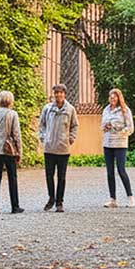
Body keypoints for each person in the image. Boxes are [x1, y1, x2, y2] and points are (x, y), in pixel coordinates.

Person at [38, 83, 79, 212]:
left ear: (64, 94)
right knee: (49, 175)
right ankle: (51, 198)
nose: (58, 95)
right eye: (56, 93)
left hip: (63, 148)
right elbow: (42, 124)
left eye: (61, 93)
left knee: (61, 177)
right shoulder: (48, 108)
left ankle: (59, 202)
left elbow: (75, 125)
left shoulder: (70, 109)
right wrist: (44, 137)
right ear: (54, 94)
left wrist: (71, 138)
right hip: (49, 148)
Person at [0, 90, 24, 215]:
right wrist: (19, 151)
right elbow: (16, 134)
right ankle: (15, 206)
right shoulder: (13, 114)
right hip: (8, 149)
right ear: (11, 101)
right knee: (12, 177)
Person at [101, 87, 135, 208]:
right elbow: (102, 126)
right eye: (110, 97)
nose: (112, 99)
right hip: (108, 143)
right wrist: (106, 127)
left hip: (120, 143)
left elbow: (130, 128)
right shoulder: (106, 110)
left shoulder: (125, 111)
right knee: (109, 172)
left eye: (114, 97)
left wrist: (117, 129)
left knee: (121, 170)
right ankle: (112, 199)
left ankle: (130, 196)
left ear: (119, 98)